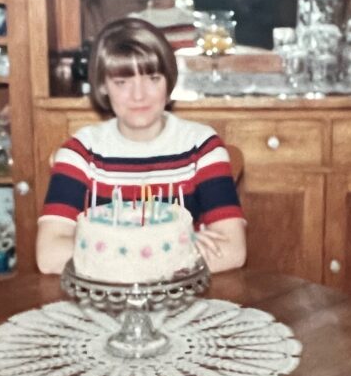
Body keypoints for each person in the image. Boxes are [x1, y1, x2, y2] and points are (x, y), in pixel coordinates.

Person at [36, 18, 247, 275]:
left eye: (152, 78)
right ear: (103, 86)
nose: (138, 95)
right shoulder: (81, 152)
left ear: (169, 81)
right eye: (122, 82)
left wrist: (107, 255)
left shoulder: (201, 147)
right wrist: (172, 252)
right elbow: (48, 255)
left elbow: (233, 250)